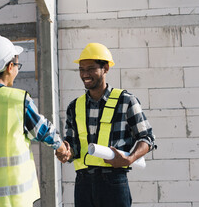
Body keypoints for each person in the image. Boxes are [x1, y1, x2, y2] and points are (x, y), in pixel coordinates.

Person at [56, 43, 156, 207]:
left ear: (106, 68)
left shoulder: (126, 101)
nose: (85, 74)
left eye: (91, 69)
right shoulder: (74, 107)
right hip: (83, 183)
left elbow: (147, 138)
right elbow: (72, 145)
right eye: (81, 69)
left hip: (114, 181)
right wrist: (66, 153)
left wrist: (129, 159)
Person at [0, 35, 69, 207]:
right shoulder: (18, 100)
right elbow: (42, 131)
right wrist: (61, 147)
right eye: (17, 66)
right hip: (15, 199)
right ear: (10, 67)